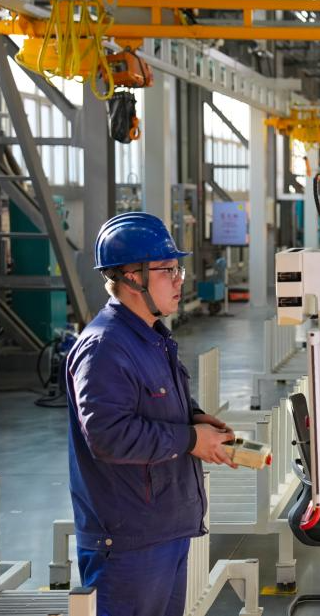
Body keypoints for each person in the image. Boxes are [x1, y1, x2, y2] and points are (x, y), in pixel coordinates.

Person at [65, 212, 237, 616]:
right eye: (167, 270)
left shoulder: (151, 338)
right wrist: (191, 440)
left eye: (178, 270)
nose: (179, 281)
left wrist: (194, 420)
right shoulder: (105, 347)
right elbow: (108, 436)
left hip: (163, 527)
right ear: (132, 278)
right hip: (128, 543)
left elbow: (152, 406)